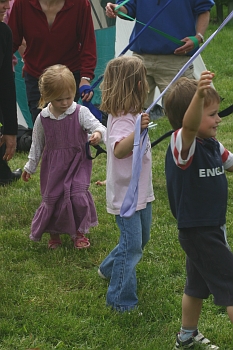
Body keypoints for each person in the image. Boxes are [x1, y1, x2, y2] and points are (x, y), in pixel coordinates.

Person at [164, 71, 233, 349]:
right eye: (212, 114)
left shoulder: (213, 145)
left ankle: (186, 336)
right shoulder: (183, 145)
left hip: (209, 227)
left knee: (196, 285)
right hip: (199, 230)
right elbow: (190, 127)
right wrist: (199, 95)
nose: (219, 119)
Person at [22, 64, 106, 249]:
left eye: (69, 97)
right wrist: (30, 166)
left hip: (77, 163)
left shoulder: (80, 112)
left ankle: (79, 232)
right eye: (59, 99)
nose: (65, 103)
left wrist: (98, 135)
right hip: (53, 167)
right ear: (46, 97)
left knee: (77, 196)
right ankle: (55, 234)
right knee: (54, 197)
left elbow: (98, 126)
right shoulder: (43, 118)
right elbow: (37, 144)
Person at [97, 55, 155, 312]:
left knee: (140, 240)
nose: (146, 83)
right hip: (125, 196)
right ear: (135, 85)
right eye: (143, 79)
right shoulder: (122, 119)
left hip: (141, 192)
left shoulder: (132, 114)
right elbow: (120, 150)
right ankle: (121, 300)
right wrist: (137, 129)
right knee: (132, 246)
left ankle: (108, 268)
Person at [105, 0, 214, 120]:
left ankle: (188, 139)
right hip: (141, 58)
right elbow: (128, 8)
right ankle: (139, 139)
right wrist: (116, 8)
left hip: (176, 60)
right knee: (128, 113)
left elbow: (204, 9)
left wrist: (198, 37)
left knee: (184, 114)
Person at [8, 0, 97, 124]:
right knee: (41, 127)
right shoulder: (22, 4)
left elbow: (88, 43)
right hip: (36, 77)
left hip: (69, 77)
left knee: (67, 128)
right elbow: (10, 41)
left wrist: (85, 77)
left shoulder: (80, 3)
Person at [0, 0, 22, 186]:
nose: (7, 8)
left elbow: (6, 84)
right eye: (1, 2)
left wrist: (10, 130)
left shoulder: (4, 32)